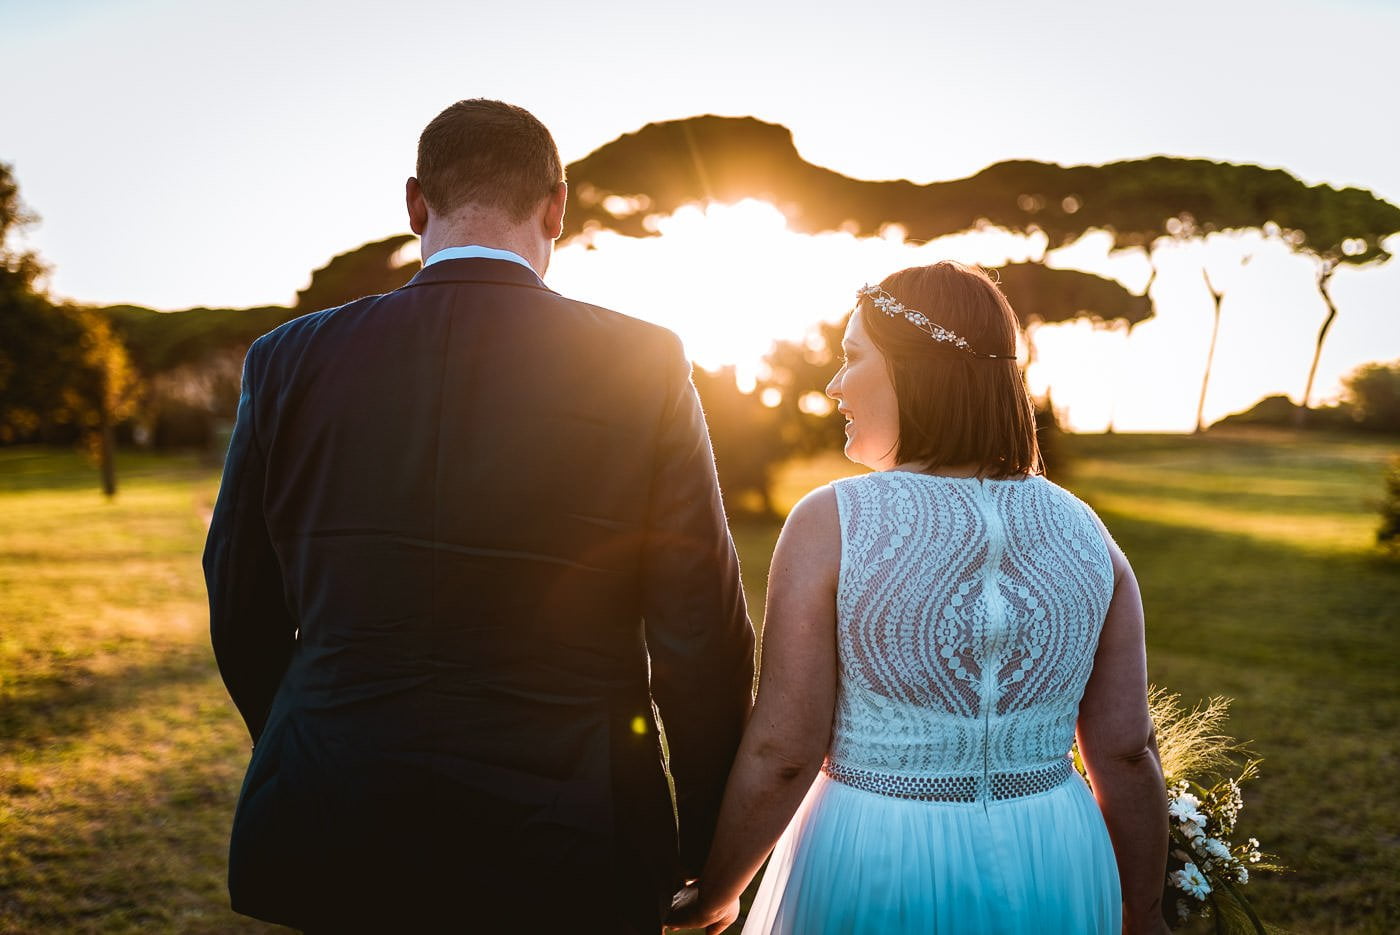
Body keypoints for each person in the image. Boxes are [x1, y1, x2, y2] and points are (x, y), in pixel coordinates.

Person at [203, 98, 754, 934]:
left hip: (343, 810)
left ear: (417, 204)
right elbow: (699, 631)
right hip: (574, 830)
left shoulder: (287, 359)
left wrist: (312, 734)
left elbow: (238, 593)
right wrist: (708, 845)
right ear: (557, 207)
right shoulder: (643, 362)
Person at [667, 261, 1169, 934]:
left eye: (851, 359)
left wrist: (719, 891)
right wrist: (1146, 910)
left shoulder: (831, 522)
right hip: (1054, 852)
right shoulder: (1089, 533)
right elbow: (1128, 752)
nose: (834, 384)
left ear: (913, 368)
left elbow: (785, 750)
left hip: (877, 856)